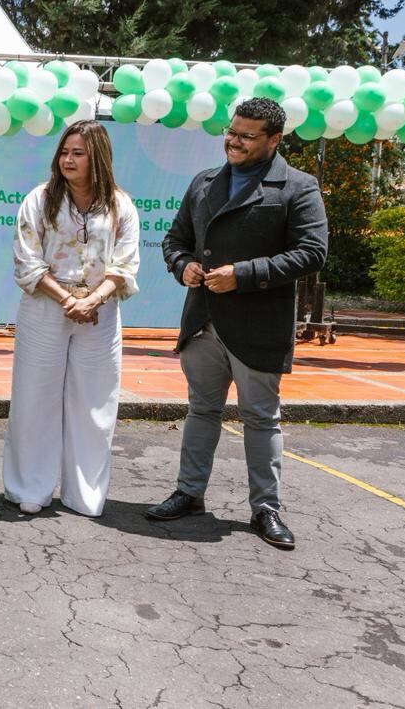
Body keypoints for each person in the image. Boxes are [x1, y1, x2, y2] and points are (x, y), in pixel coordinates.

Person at [145, 97, 327, 551]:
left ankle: (266, 508)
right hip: (203, 321)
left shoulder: (298, 187)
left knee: (261, 418)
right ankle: (189, 494)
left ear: (274, 140)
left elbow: (311, 252)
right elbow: (175, 239)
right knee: (200, 411)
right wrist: (182, 264)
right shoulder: (205, 181)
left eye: (247, 136)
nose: (234, 140)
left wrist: (242, 274)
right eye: (232, 131)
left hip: (257, 325)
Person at [2, 120, 140, 517]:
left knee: (95, 403)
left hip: (101, 311)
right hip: (47, 307)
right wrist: (69, 301)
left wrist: (93, 300)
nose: (68, 159)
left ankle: (85, 494)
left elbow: (125, 264)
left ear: (98, 156)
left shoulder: (120, 204)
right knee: (34, 397)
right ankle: (30, 487)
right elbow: (27, 261)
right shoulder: (40, 199)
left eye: (78, 152)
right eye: (64, 151)